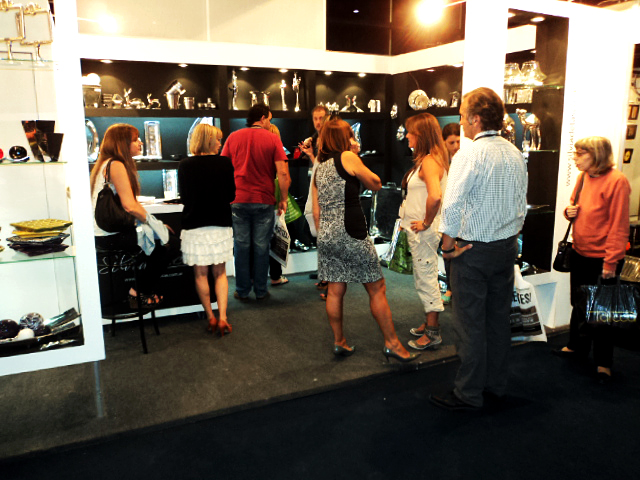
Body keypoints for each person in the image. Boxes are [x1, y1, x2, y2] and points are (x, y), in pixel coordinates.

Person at [430, 87, 527, 410]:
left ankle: (468, 393)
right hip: (506, 248)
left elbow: (452, 205)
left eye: (462, 116)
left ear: (475, 119)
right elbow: (520, 204)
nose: (460, 122)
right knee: (498, 321)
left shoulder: (468, 155)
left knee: (469, 324)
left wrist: (447, 248)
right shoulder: (514, 152)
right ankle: (495, 385)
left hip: (472, 251)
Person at [312, 117, 419, 362]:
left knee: (335, 290)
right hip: (351, 231)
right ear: (343, 138)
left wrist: (324, 234)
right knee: (377, 287)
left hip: (327, 233)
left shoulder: (320, 166)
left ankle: (339, 341)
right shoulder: (347, 157)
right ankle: (392, 343)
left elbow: (317, 210)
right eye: (350, 134)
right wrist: (356, 157)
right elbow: (376, 183)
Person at [552, 136, 630, 384]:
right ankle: (576, 346)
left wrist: (610, 262)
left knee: (602, 313)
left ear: (596, 155)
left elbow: (619, 226)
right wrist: (569, 212)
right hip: (580, 252)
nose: (575, 158)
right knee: (579, 303)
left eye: (580, 154)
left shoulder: (617, 181)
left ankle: (604, 363)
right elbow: (574, 208)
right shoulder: (583, 177)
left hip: (604, 258)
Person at [90, 123, 173, 307]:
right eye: (136, 140)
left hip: (105, 235)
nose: (141, 143)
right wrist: (157, 226)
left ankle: (138, 290)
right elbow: (130, 206)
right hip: (111, 236)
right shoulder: (116, 164)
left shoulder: (104, 163)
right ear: (122, 143)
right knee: (170, 244)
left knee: (160, 241)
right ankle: (138, 292)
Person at [221, 104, 291, 300]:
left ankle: (242, 290)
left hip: (238, 199)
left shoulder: (233, 137)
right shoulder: (273, 138)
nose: (270, 123)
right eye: (269, 119)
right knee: (261, 247)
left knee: (241, 246)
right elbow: (283, 173)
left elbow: (223, 167)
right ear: (262, 118)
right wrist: (283, 198)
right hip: (264, 199)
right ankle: (260, 290)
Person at [179, 124, 235, 336]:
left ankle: (210, 316)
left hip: (194, 225)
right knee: (220, 273)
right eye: (218, 139)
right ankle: (223, 317)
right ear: (209, 141)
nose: (220, 143)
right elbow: (231, 194)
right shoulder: (224, 163)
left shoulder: (185, 165)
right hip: (220, 223)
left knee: (200, 274)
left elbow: (184, 196)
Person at [400, 113, 449, 351]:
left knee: (427, 278)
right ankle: (429, 322)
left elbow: (435, 196)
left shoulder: (430, 161)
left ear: (420, 135)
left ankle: (433, 332)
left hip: (424, 233)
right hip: (421, 232)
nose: (407, 136)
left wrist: (426, 222)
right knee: (424, 276)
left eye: (410, 132)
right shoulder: (429, 160)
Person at [439, 122, 461, 305]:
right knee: (447, 249)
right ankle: (450, 287)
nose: (456, 146)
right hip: (446, 212)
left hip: (463, 214)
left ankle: (455, 289)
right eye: (452, 142)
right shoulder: (441, 163)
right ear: (444, 143)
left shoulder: (465, 160)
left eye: (458, 142)